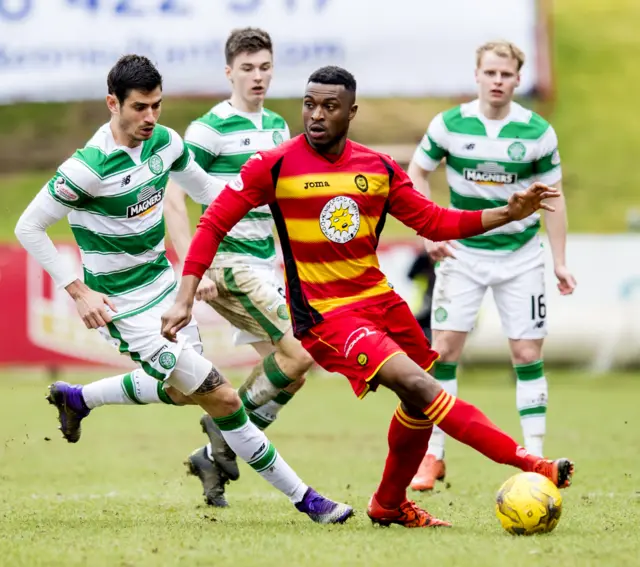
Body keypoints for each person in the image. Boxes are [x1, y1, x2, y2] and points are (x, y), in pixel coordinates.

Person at [161, 65, 575, 529]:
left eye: (329, 107)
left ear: (351, 112)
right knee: (421, 386)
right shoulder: (273, 165)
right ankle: (531, 464)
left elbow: (435, 222)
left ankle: (390, 504)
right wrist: (185, 295)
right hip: (326, 314)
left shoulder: (376, 168)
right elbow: (213, 221)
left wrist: (506, 213)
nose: (315, 115)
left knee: (419, 401)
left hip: (379, 301)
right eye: (309, 104)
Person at [14, 54, 353, 525]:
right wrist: (79, 292)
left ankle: (79, 399)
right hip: (123, 307)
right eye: (139, 108)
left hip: (166, 289)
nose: (150, 118)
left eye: (156, 106)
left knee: (178, 392)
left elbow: (209, 190)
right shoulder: (86, 168)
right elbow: (28, 227)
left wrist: (281, 199)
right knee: (223, 397)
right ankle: (308, 500)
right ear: (113, 103)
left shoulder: (165, 143)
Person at [406, 41, 577, 492]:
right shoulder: (449, 124)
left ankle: (536, 459)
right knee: (441, 351)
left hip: (520, 256)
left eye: (506, 75)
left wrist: (559, 261)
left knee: (526, 354)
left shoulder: (537, 131)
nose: (498, 81)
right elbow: (416, 174)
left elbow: (554, 200)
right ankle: (433, 457)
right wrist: (428, 229)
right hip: (463, 254)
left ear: (518, 80)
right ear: (477, 75)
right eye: (491, 73)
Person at [164, 27, 313, 507]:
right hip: (226, 261)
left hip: (262, 263)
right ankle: (223, 429)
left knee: (293, 370)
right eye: (247, 68)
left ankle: (215, 449)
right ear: (229, 71)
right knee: (301, 351)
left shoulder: (275, 128)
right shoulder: (209, 129)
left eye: (265, 68)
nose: (257, 77)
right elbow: (173, 198)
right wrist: (196, 268)